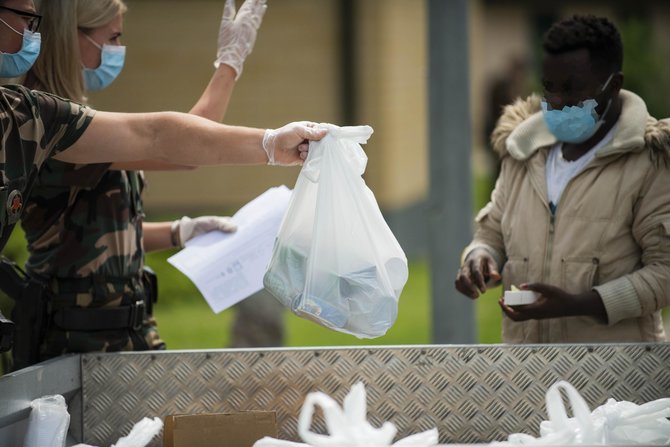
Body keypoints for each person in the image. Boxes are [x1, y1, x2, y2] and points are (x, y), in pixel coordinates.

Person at [0, 0, 327, 367]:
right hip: (76, 342)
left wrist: (179, 232)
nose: (118, 50)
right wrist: (231, 68)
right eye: (113, 37)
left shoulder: (53, 118)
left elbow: (93, 235)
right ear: (70, 37)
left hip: (123, 330)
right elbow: (171, 144)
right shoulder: (40, 128)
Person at [454, 14, 670, 343]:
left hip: (616, 376)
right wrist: (478, 258)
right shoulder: (522, 152)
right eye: (549, 87)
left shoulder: (649, 161)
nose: (556, 102)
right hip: (526, 370)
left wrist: (578, 305)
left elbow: (665, 273)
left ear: (613, 86)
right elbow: (492, 232)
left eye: (572, 90)